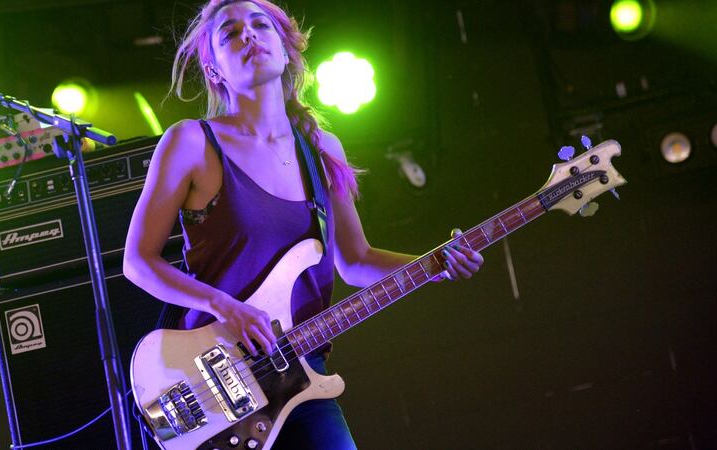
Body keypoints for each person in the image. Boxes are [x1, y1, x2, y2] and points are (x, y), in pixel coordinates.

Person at [123, 0, 484, 448]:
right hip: (217, 375)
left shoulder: (320, 146)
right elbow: (138, 261)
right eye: (230, 33)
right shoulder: (192, 142)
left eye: (260, 25)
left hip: (302, 374)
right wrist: (227, 307)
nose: (249, 35)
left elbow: (354, 261)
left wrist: (436, 264)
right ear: (214, 70)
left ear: (286, 47)